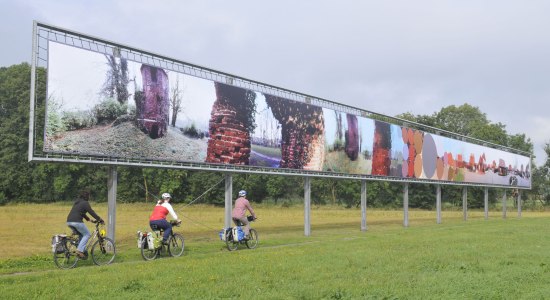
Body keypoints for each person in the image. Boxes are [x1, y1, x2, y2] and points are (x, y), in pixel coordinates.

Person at [66, 190, 104, 258]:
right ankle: (79, 251)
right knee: (87, 234)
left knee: (81, 234)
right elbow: (91, 212)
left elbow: (81, 213)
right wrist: (99, 219)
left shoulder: (77, 202)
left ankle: (80, 248)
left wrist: (89, 220)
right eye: (89, 196)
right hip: (77, 222)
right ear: (87, 196)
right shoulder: (85, 203)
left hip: (69, 221)